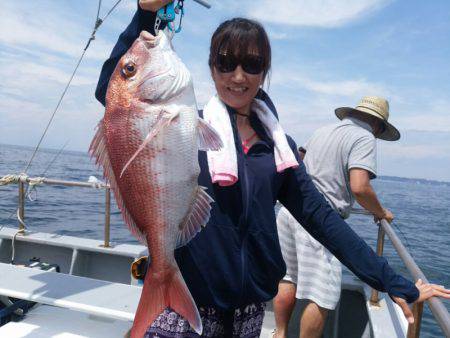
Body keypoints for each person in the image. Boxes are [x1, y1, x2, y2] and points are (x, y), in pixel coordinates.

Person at [96, 2, 450, 337]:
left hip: (249, 310)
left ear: (264, 71)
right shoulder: (185, 130)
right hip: (186, 298)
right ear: (210, 67)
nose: (238, 76)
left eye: (251, 65)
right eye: (225, 63)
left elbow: (321, 219)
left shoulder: (279, 149)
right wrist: (145, 15)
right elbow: (117, 96)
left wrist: (391, 281)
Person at [273, 96, 400, 338]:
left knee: (287, 277)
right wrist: (380, 212)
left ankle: (279, 334)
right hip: (319, 220)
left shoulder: (323, 130)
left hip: (290, 211)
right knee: (323, 295)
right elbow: (360, 187)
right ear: (377, 125)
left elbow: (296, 162)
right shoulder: (364, 138)